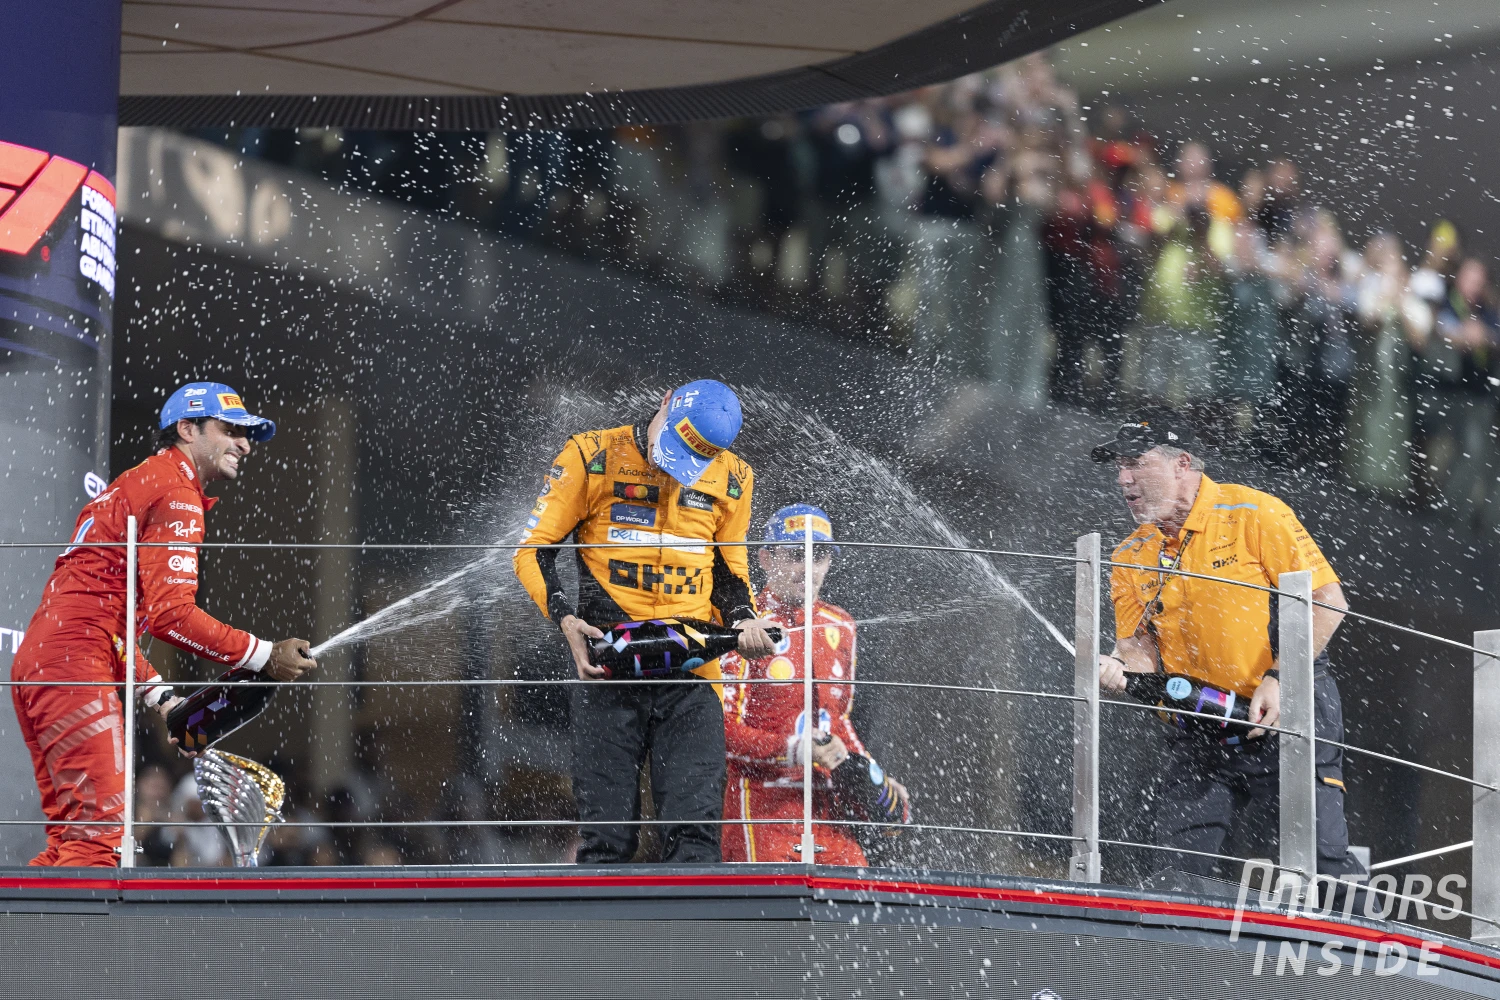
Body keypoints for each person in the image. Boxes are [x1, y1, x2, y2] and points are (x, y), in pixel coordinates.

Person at [10, 382, 318, 867]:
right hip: (75, 663)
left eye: (247, 435)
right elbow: (172, 617)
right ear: (187, 429)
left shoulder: (143, 479)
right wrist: (264, 653)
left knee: (72, 840)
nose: (244, 444)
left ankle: (30, 920)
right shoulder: (175, 490)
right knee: (100, 842)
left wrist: (163, 699)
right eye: (231, 430)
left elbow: (105, 619)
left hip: (48, 659)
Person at [1090, 407, 1364, 879]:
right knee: (1176, 872)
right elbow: (1140, 651)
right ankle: (1189, 925)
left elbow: (1328, 602)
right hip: (1200, 720)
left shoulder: (1255, 513)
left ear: (1182, 463)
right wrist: (1119, 667)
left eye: (1136, 463)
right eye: (1119, 466)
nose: (1124, 479)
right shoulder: (1130, 553)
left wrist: (1281, 679)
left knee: (1320, 864)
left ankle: (1355, 919)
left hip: (1286, 709)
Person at [513, 380, 775, 864]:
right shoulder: (591, 454)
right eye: (670, 447)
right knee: (606, 841)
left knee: (696, 841)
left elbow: (730, 571)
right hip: (608, 668)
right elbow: (532, 552)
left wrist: (744, 620)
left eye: (690, 460)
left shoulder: (735, 476)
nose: (671, 465)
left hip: (693, 675)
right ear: (665, 402)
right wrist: (565, 618)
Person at [718, 505, 909, 865]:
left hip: (830, 814)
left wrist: (874, 774)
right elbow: (720, 732)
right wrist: (796, 750)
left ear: (830, 563)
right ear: (765, 558)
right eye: (795, 556)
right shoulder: (744, 625)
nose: (807, 568)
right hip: (762, 813)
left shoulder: (842, 625)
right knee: (775, 904)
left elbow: (840, 722)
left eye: (818, 556)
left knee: (857, 898)